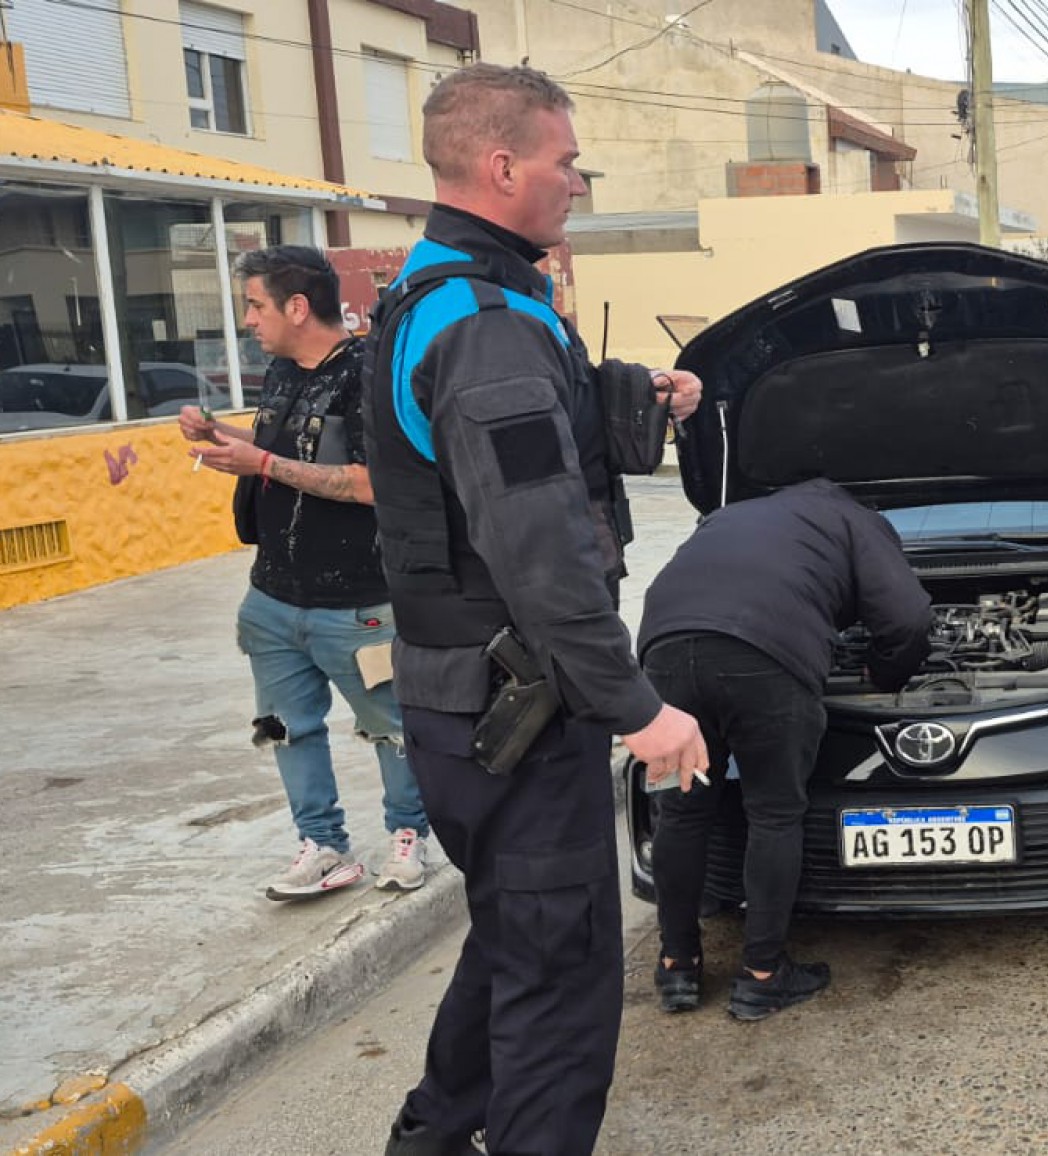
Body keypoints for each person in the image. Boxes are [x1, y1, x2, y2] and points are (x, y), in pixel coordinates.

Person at [360, 64, 710, 1156]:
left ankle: (431, 1136)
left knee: (514, 934)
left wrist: (633, 395)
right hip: (514, 709)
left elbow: (487, 451)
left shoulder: (439, 290)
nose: (578, 182)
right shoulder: (485, 322)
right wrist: (638, 708)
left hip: (455, 704)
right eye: (567, 161)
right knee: (559, 979)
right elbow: (542, 550)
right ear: (503, 166)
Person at [182, 246, 430, 901]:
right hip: (272, 600)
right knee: (285, 728)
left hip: (361, 606)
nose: (248, 320)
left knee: (391, 725)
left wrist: (262, 465)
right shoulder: (282, 371)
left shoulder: (369, 375)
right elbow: (284, 449)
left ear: (296, 306)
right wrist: (219, 435)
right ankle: (321, 845)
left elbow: (375, 484)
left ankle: (409, 836)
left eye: (255, 305)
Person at [636, 479, 931, 1021]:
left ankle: (677, 965)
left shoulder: (733, 516)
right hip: (763, 655)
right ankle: (763, 975)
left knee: (680, 809)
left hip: (665, 647)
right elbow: (908, 619)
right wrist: (883, 673)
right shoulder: (857, 520)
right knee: (774, 813)